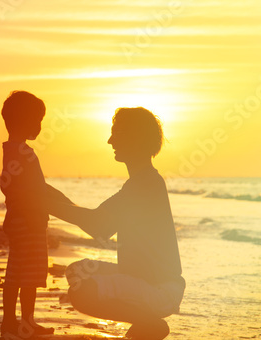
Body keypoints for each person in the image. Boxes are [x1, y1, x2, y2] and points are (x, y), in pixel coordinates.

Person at [49, 107, 185, 340]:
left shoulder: (144, 185)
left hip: (159, 289)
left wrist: (45, 203)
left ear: (135, 138)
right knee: (76, 271)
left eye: (116, 133)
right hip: (141, 280)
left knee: (82, 292)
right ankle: (145, 325)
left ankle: (149, 324)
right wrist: (46, 197)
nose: (110, 140)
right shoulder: (141, 182)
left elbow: (98, 225)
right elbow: (96, 219)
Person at [0, 90, 70, 339]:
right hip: (28, 222)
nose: (40, 126)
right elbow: (19, 187)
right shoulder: (21, 152)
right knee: (26, 274)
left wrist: (60, 199)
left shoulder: (15, 150)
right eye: (37, 120)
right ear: (24, 121)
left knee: (19, 272)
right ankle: (20, 322)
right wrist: (35, 213)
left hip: (22, 220)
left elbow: (29, 187)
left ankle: (16, 322)